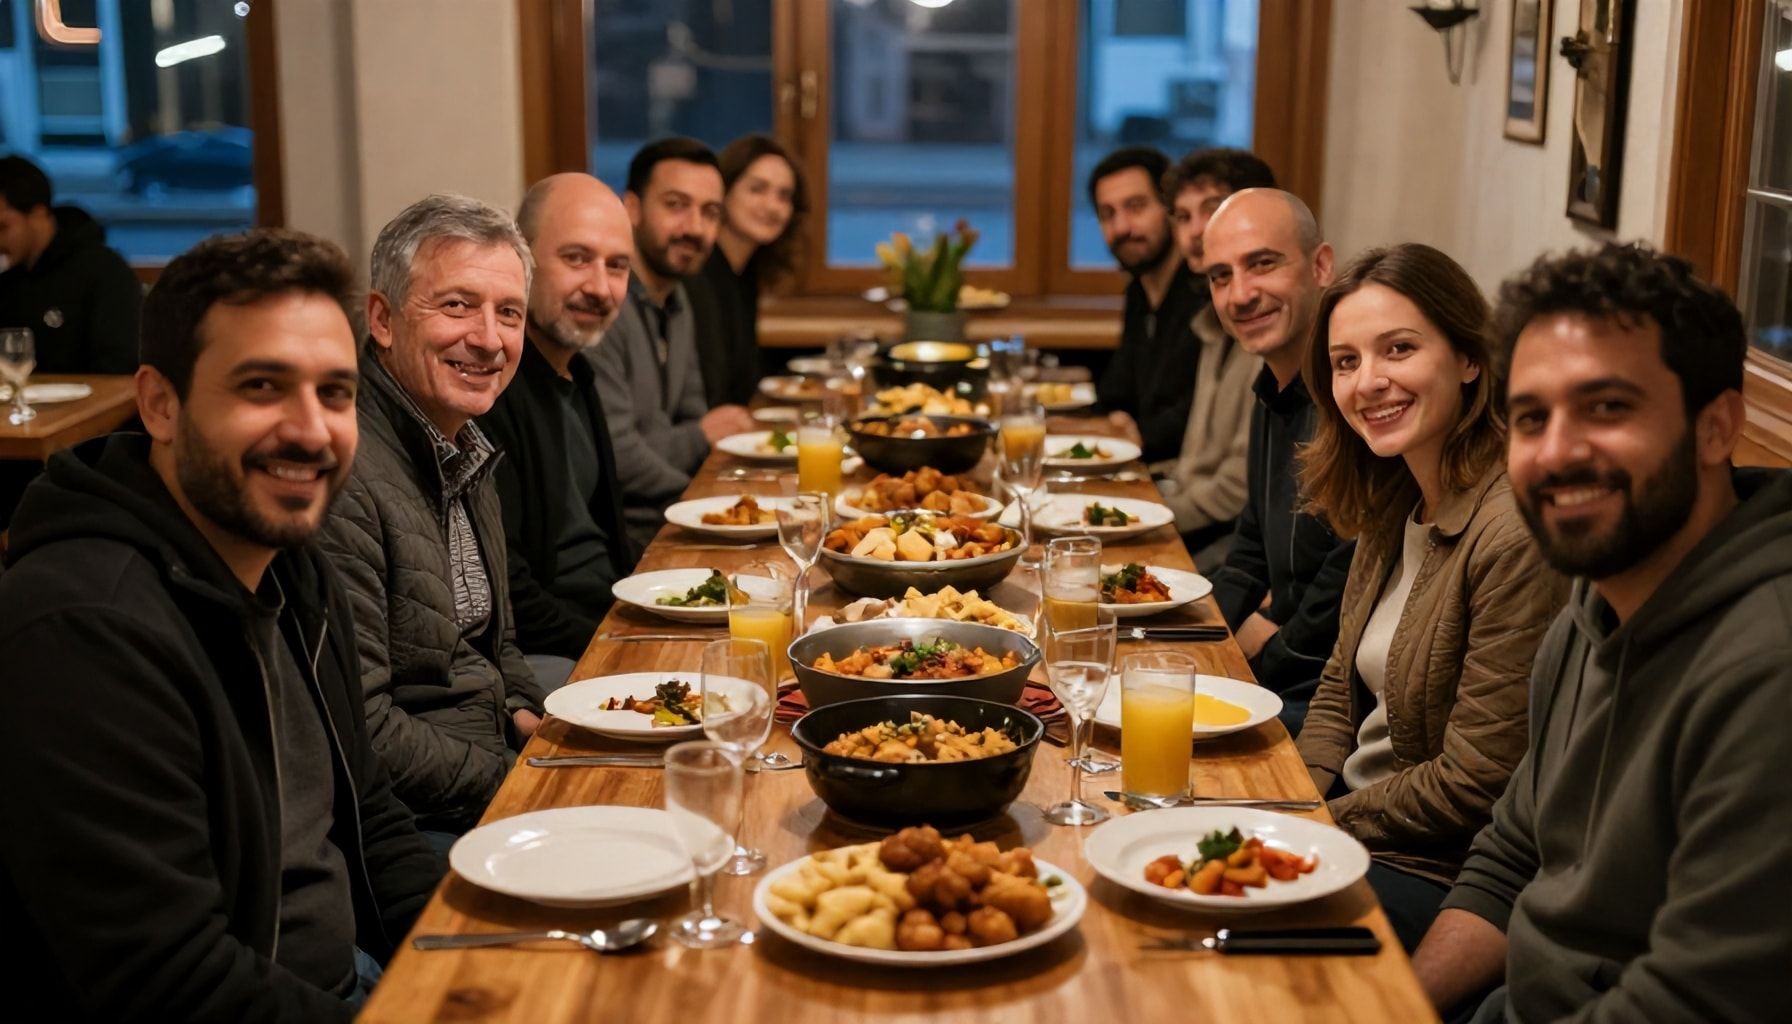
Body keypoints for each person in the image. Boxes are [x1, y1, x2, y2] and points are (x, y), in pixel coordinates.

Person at [0, 228, 440, 1020]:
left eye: (335, 392)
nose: (311, 430)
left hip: (355, 976)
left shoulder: (293, 564)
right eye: (263, 387)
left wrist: (460, 962)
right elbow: (166, 981)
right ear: (160, 405)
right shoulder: (83, 627)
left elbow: (370, 816)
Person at [1411, 244, 1792, 1023]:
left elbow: (1698, 1001)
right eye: (1531, 418)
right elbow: (1511, 857)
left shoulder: (1768, 668)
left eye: (1607, 408)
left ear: (1716, 427)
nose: (1557, 452)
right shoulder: (1590, 611)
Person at [1292, 243, 1569, 952]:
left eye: (1400, 349)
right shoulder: (1395, 497)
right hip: (1356, 827)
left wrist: (1321, 823)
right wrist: (1293, 800)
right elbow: (1335, 690)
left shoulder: (1511, 531)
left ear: (1470, 359)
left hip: (1435, 870)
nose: (1369, 382)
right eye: (1346, 362)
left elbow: (1477, 778)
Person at [319, 194, 546, 841]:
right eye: (456, 305)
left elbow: (497, 640)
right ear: (382, 320)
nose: (488, 338)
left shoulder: (462, 443)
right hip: (413, 815)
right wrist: (513, 778)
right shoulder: (346, 475)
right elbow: (363, 725)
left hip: (488, 746)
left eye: (509, 314)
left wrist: (529, 711)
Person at [1199, 188, 1356, 733]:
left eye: (1262, 264)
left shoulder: (1353, 397)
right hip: (1273, 672)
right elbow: (1250, 548)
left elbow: (1347, 578)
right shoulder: (1271, 387)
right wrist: (1206, 645)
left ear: (1321, 266)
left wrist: (1253, 666)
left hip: (1322, 698)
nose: (1240, 294)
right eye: (1221, 276)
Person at [479, 173, 637, 686]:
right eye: (576, 258)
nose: (599, 287)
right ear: (520, 259)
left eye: (617, 266)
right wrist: (617, 642)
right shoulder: (493, 386)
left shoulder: (577, 370)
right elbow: (510, 592)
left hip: (608, 620)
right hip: (555, 654)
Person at [591, 137, 756, 552]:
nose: (694, 228)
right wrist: (704, 501)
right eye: (676, 205)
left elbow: (693, 412)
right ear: (632, 208)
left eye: (710, 212)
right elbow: (619, 457)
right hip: (630, 539)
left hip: (671, 520)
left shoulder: (678, 298)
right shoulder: (602, 307)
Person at [1153, 148, 1278, 564]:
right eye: (1182, 217)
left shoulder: (1267, 326)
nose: (1193, 232)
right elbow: (1195, 464)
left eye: (1211, 210)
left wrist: (1151, 517)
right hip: (1194, 522)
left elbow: (1238, 488)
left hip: (1229, 542)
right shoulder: (1212, 321)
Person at [1088, 146, 1204, 464]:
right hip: (1141, 463)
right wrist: (1117, 419)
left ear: (1171, 209)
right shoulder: (1139, 292)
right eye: (1108, 214)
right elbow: (1116, 391)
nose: (1122, 227)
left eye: (1136, 207)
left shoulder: (1207, 296)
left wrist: (1135, 435)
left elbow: (1194, 419)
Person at [686, 133, 806, 409]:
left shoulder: (744, 272)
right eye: (757, 189)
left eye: (784, 196)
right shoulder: (698, 273)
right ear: (723, 192)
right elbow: (712, 393)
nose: (772, 206)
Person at [0, 154, 141, 375]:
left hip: (90, 405)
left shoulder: (103, 270)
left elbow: (121, 366)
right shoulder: (9, 277)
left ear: (38, 214)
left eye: (3, 227)